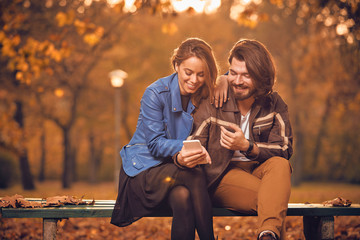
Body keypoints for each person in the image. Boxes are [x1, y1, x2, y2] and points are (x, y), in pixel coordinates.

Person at [111, 38, 218, 240]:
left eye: (201, 74)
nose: (194, 80)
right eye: (188, 72)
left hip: (174, 174)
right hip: (143, 171)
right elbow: (155, 144)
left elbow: (232, 79)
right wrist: (189, 148)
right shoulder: (155, 93)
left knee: (183, 197)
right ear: (176, 65)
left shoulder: (204, 93)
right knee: (194, 174)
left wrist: (226, 80)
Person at [187, 39, 293, 240]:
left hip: (262, 171)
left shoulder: (274, 103)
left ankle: (267, 235)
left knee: (280, 164)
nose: (237, 81)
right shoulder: (214, 100)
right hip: (222, 175)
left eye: (246, 75)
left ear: (261, 77)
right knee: (273, 201)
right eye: (233, 73)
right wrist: (222, 79)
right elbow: (194, 144)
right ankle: (269, 234)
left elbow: (285, 148)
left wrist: (247, 146)